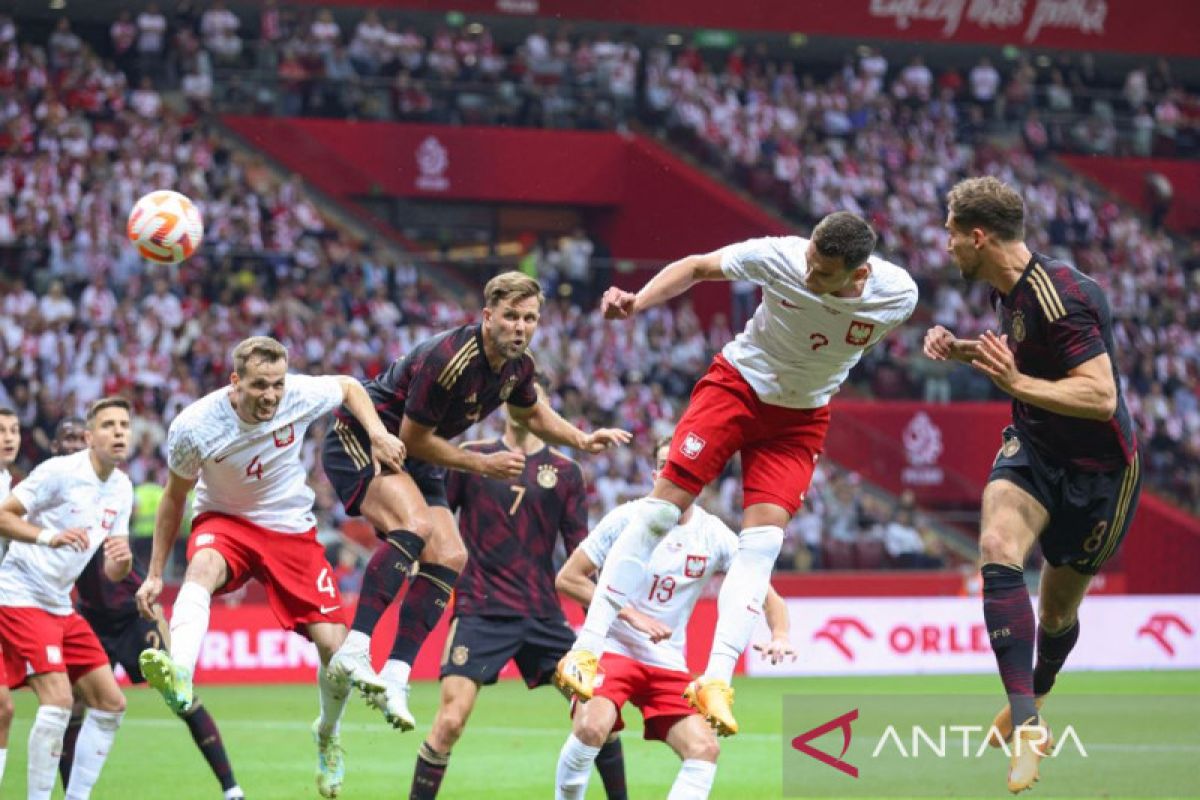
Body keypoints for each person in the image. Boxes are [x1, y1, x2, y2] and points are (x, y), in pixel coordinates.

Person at [556, 212, 917, 736]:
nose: (808, 274)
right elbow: (700, 266)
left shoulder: (898, 296)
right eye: (810, 261)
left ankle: (717, 678)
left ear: (858, 276)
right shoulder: (780, 255)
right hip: (738, 386)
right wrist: (639, 301)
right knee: (661, 511)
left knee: (763, 545)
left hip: (801, 417)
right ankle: (586, 652)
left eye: (822, 273)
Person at [322, 271, 630, 732]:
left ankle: (396, 674)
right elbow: (412, 438)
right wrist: (481, 465)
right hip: (367, 439)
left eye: (530, 318)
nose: (520, 327)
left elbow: (532, 413)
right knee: (416, 526)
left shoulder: (517, 366)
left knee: (450, 555)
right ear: (488, 316)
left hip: (420, 449)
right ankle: (354, 648)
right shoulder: (452, 359)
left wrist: (581, 439)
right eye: (510, 317)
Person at [924, 176, 1142, 792]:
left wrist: (1016, 387)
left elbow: (1099, 396)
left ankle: (1036, 697)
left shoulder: (1061, 295)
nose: (945, 246)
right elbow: (1022, 363)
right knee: (996, 544)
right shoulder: (1006, 291)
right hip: (1035, 451)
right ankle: (1026, 724)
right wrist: (963, 349)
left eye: (950, 235)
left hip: (1101, 476)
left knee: (1057, 610)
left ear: (978, 236)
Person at [132, 336, 408, 799]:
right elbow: (174, 498)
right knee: (201, 568)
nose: (271, 396)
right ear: (234, 382)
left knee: (334, 652)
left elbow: (347, 386)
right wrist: (156, 572)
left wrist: (378, 432)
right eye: (260, 385)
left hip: (289, 529)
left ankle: (327, 734)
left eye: (277, 385)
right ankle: (180, 670)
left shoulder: (297, 394)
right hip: (226, 520)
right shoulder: (194, 426)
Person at [407, 398, 628, 799]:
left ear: (543, 407)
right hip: (480, 609)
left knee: (601, 714)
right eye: (515, 397)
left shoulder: (565, 472)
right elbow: (436, 517)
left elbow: (581, 551)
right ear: (503, 405)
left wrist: (598, 624)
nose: (523, 405)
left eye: (532, 397)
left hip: (543, 614)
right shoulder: (471, 459)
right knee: (450, 722)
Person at [554, 436, 795, 799]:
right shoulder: (626, 518)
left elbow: (766, 593)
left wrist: (780, 634)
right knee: (591, 728)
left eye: (684, 463)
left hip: (666, 660)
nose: (677, 471)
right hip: (612, 647)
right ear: (656, 475)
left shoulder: (713, 535)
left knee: (704, 750)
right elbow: (568, 578)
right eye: (668, 464)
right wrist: (631, 615)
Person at [51, 418, 243, 800]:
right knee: (71, 707)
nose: (74, 444)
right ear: (57, 449)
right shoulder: (50, 495)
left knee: (181, 695)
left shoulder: (110, 486)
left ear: (91, 442)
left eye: (79, 437)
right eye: (67, 439)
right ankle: (74, 794)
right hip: (91, 616)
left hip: (132, 612)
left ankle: (231, 789)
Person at [0, 398, 135, 800]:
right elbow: (3, 516)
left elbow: (114, 568)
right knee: (57, 699)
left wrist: (123, 564)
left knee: (111, 702)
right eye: (108, 425)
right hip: (20, 593)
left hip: (59, 603)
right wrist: (47, 536)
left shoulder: (123, 488)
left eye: (124, 425)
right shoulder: (59, 472)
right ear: (91, 437)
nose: (118, 432)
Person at [0, 406, 21, 785]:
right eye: (1, 430)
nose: (8, 437)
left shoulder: (12, 487)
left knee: (2, 709)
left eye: (15, 430)